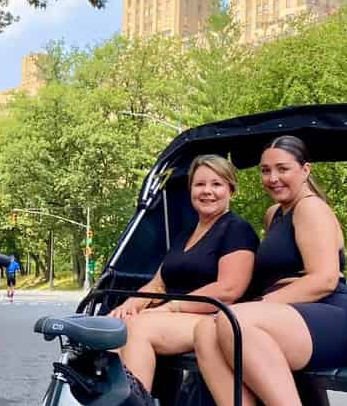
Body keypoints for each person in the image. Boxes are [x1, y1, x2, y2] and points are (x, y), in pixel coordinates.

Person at [191, 136, 347, 406]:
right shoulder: (274, 215)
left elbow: (324, 279)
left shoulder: (311, 208)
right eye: (266, 170)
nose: (273, 178)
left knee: (234, 321)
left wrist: (262, 305)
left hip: (329, 314)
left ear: (305, 170)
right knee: (205, 329)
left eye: (283, 169)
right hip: (289, 314)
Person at [108, 154, 259, 392]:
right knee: (109, 328)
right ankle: (107, 404)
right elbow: (158, 284)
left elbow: (229, 289)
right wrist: (130, 305)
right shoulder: (185, 234)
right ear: (191, 190)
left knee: (138, 328)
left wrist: (172, 307)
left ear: (231, 190)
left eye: (216, 184)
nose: (207, 191)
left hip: (213, 319)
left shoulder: (237, 230)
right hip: (169, 316)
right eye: (200, 184)